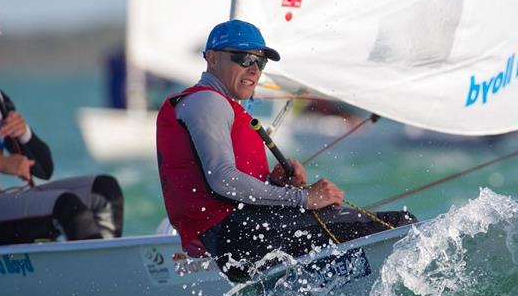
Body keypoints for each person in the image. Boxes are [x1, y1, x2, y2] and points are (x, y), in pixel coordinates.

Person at [156, 19, 416, 282]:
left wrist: (275, 182)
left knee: (381, 223)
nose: (254, 69)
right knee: (401, 224)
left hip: (242, 236)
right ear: (212, 58)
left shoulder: (217, 104)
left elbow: (216, 184)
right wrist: (304, 199)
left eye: (261, 62)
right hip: (240, 236)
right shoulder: (207, 101)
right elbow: (223, 180)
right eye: (244, 58)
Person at [0, 0, 124, 247]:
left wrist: (24, 132)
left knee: (103, 190)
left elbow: (43, 168)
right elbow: (1, 163)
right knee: (64, 205)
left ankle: (105, 268)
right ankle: (98, 277)